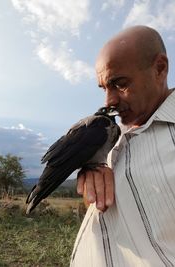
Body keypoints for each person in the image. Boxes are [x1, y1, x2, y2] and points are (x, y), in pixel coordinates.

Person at [70, 25, 175, 267]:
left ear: (160, 68)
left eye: (119, 84)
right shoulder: (111, 133)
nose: (109, 101)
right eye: (104, 88)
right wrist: (90, 168)